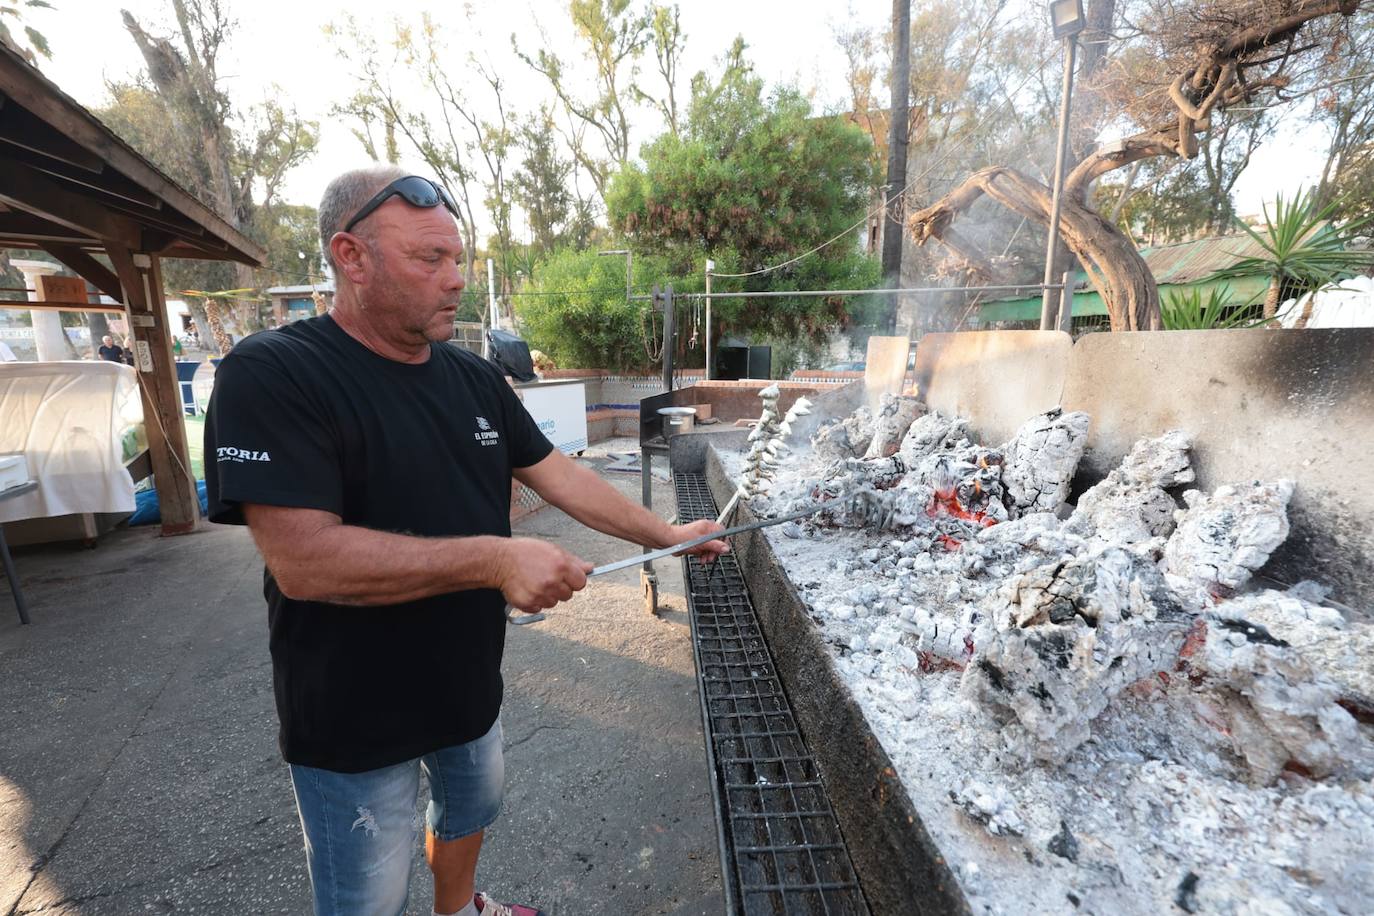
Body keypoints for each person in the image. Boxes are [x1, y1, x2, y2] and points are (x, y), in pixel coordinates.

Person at [203, 165, 728, 916]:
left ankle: (458, 911)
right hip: (351, 711)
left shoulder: (472, 377)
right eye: (428, 260)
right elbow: (304, 560)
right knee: (366, 897)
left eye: (458, 260)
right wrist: (496, 556)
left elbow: (558, 474)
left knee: (469, 814)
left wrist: (669, 534)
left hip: (466, 680)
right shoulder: (275, 373)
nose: (455, 281)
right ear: (351, 256)